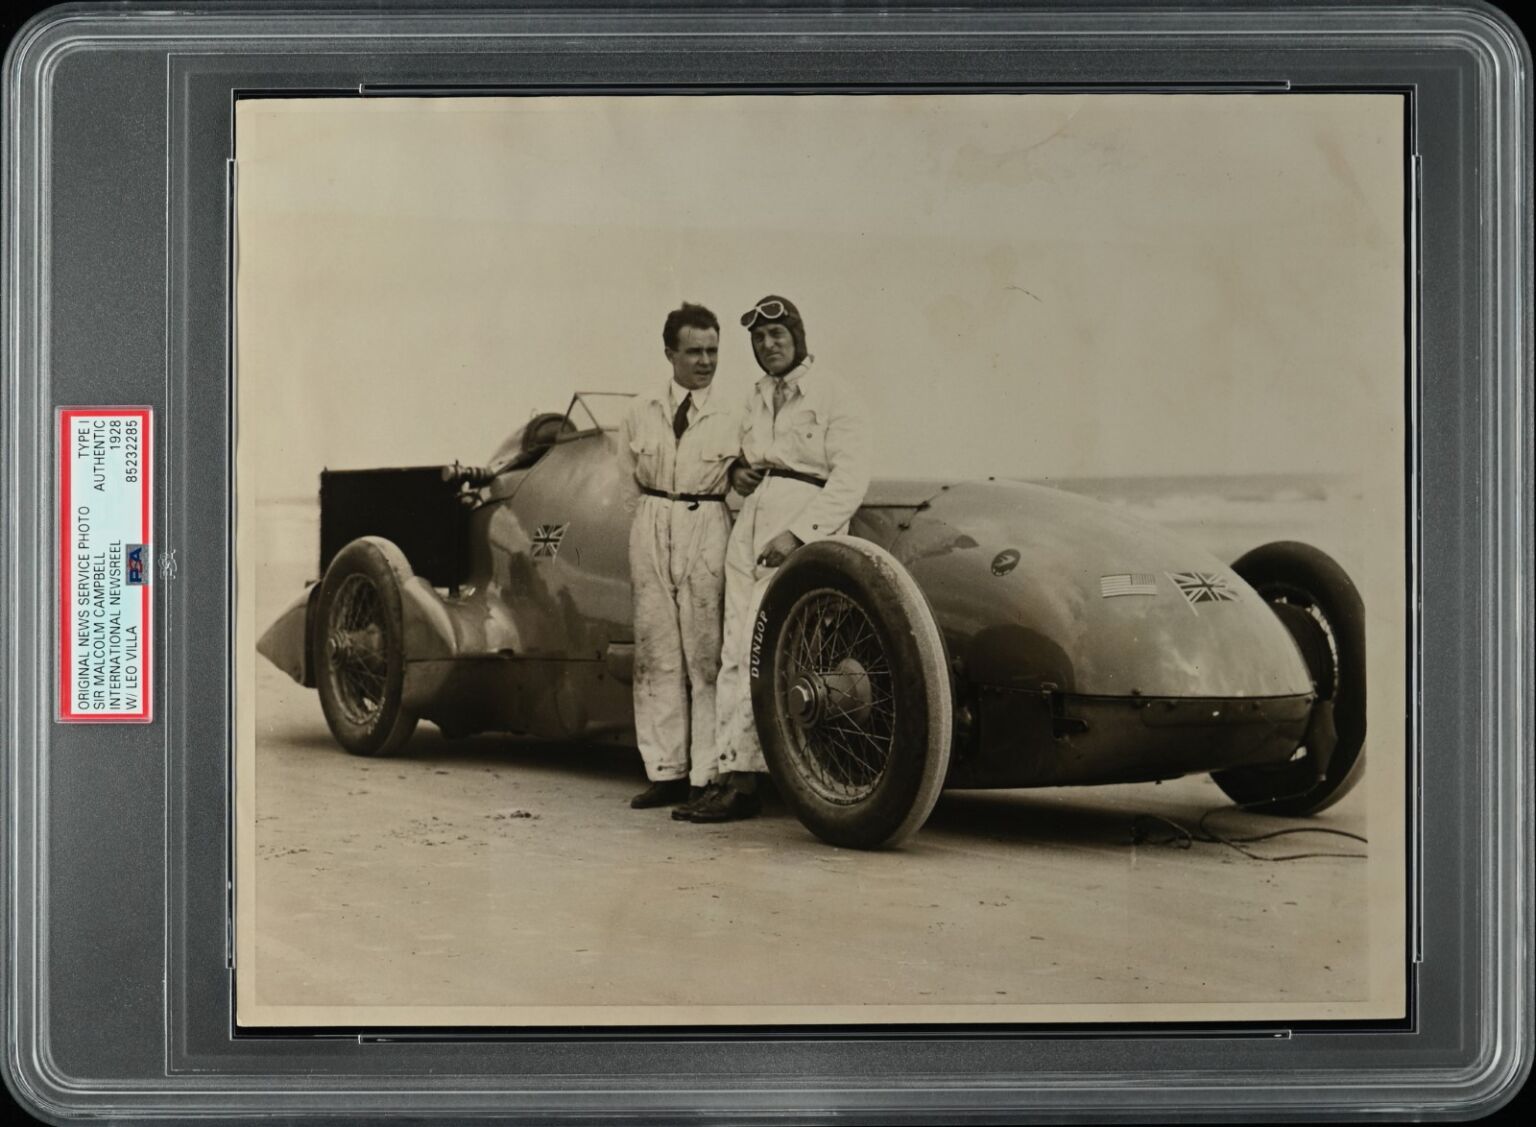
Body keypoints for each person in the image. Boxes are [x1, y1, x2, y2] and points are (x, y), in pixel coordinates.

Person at [675, 295, 871, 823]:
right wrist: (739, 472)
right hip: (752, 526)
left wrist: (800, 535)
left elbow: (850, 480)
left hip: (798, 525)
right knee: (735, 647)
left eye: (777, 335)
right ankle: (732, 774)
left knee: (769, 651)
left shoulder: (833, 395)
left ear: (798, 337)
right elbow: (746, 457)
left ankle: (758, 779)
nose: (768, 346)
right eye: (759, 339)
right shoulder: (757, 397)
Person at [619, 303, 741, 809]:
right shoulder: (640, 410)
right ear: (669, 352)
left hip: (707, 522)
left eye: (713, 350)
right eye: (694, 350)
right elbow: (626, 475)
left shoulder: (736, 414)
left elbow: (746, 474)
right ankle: (665, 770)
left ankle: (707, 775)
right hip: (651, 521)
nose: (705, 361)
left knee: (706, 655)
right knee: (655, 653)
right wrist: (649, 525)